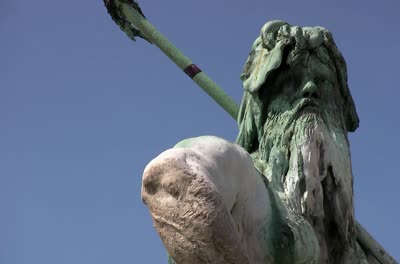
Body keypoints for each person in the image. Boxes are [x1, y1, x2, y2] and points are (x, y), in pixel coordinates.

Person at [141, 20, 374, 264]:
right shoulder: (244, 174)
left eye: (323, 83)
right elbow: (171, 177)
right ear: (259, 110)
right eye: (289, 82)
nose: (309, 88)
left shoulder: (360, 248)